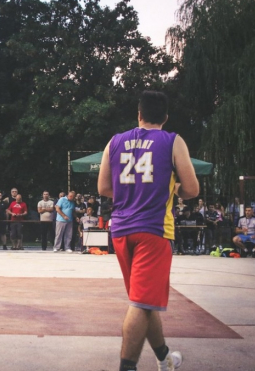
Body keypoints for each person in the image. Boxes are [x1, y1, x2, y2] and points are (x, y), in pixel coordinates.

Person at [98, 90, 199, 371]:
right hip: (153, 230)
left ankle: (165, 358)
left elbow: (103, 188)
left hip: (120, 230)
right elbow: (192, 189)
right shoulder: (172, 141)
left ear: (139, 114)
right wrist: (174, 187)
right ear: (165, 118)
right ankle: (126, 367)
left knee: (143, 300)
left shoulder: (114, 142)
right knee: (142, 304)